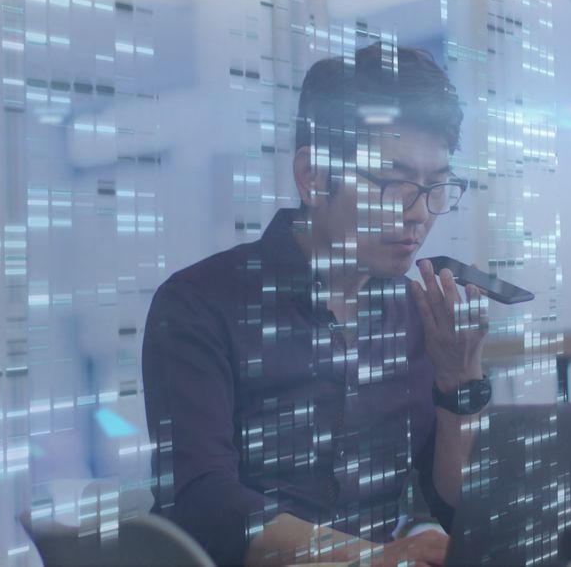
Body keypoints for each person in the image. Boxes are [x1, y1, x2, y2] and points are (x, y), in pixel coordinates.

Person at [142, 41, 491, 566]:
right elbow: (203, 501)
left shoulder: (415, 314)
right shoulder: (199, 304)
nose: (420, 213)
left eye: (436, 186)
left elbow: (455, 506)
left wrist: (459, 387)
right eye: (392, 183)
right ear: (313, 177)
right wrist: (372, 559)